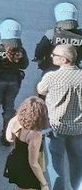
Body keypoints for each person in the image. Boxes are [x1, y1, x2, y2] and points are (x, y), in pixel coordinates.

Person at [37, 44, 82, 190]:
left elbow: (40, 90)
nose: (52, 56)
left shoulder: (52, 77)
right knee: (77, 163)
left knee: (55, 165)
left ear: (64, 60)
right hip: (78, 128)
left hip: (56, 127)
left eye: (54, 55)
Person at [0, 19, 29, 147]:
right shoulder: (20, 50)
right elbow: (25, 65)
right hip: (13, 82)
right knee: (9, 108)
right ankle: (6, 135)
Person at [3, 97, 50, 190]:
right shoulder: (35, 134)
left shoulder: (16, 119)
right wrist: (44, 184)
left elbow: (9, 139)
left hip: (15, 161)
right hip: (26, 169)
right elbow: (33, 163)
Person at [34, 2, 82, 74]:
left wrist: (39, 59)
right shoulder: (80, 35)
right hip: (76, 72)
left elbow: (40, 50)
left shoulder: (52, 34)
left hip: (53, 70)